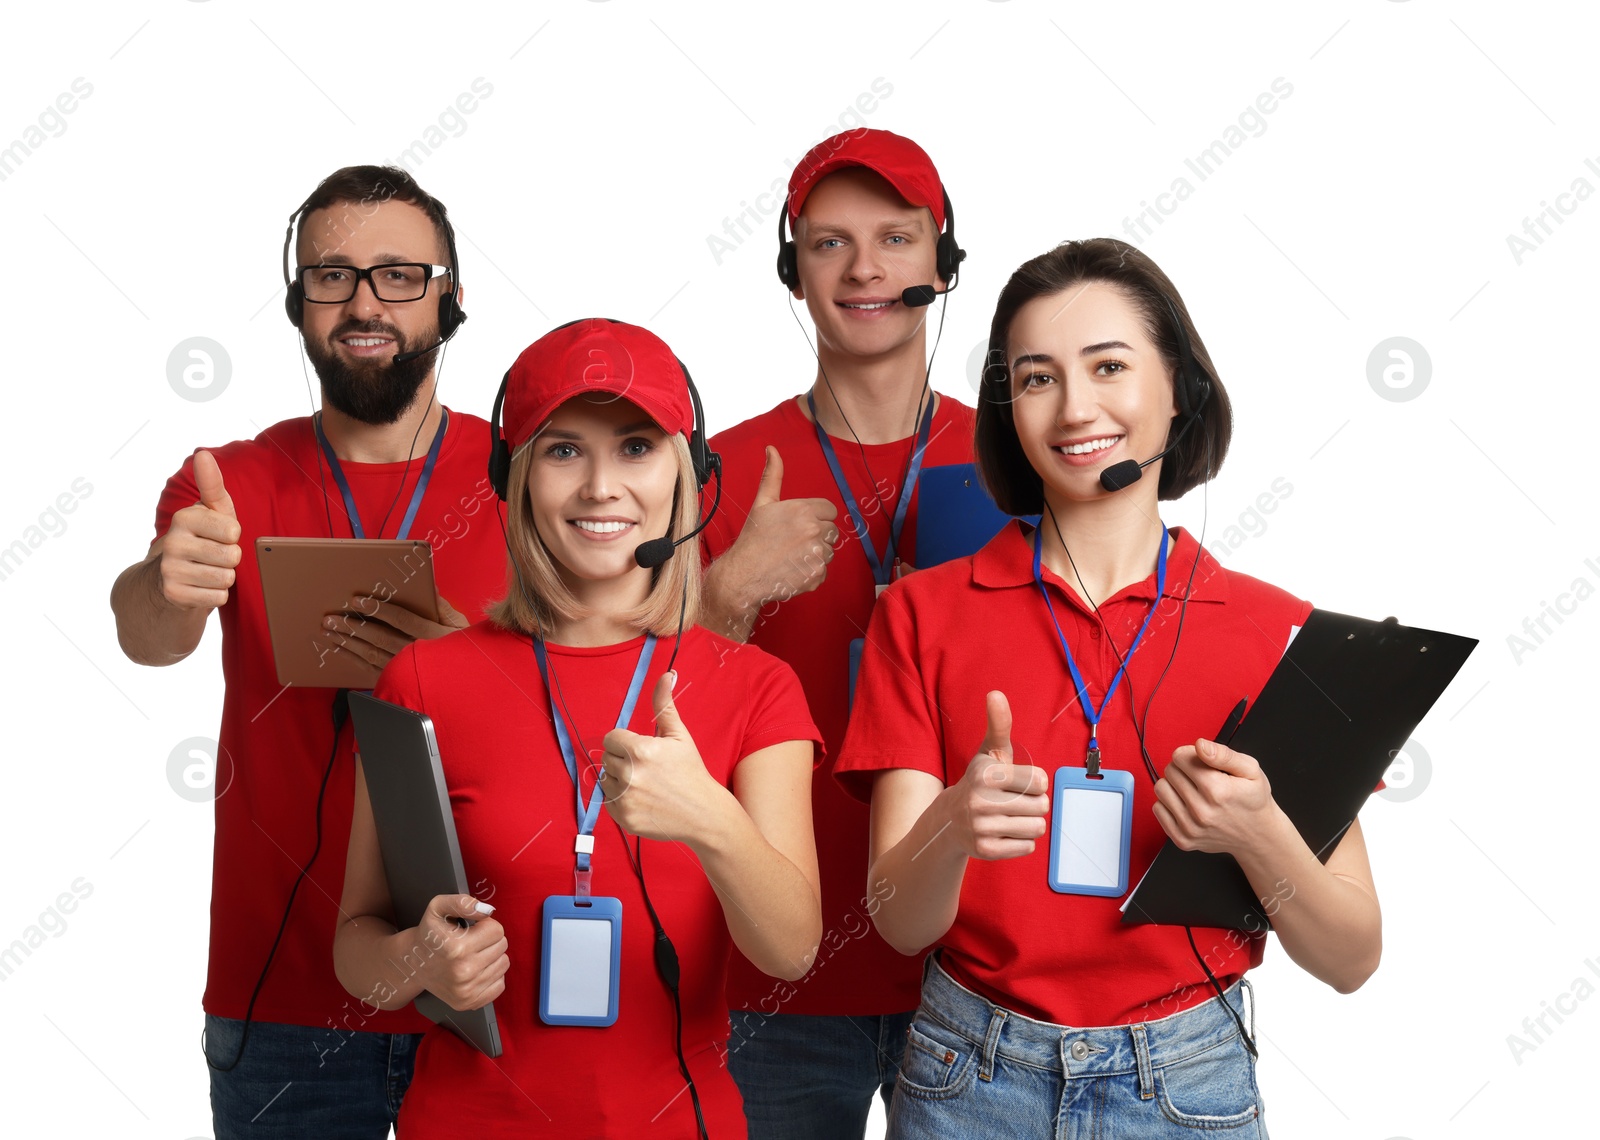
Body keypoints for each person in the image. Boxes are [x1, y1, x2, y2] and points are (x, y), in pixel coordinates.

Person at [835, 238, 1383, 1137]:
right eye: (1038, 378)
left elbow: (1350, 956)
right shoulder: (922, 616)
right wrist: (952, 827)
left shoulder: (1278, 634)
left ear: (1181, 389)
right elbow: (898, 924)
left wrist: (1259, 835)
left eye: (1110, 366)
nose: (1075, 407)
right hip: (968, 1074)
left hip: (1187, 1082)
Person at [334, 318, 824, 1137]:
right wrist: (415, 961)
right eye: (564, 450)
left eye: (636, 447)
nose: (602, 487)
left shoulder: (758, 686)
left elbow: (794, 951)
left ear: (687, 472)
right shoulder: (424, 677)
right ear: (516, 476)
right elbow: (356, 943)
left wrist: (713, 823)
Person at [110, 165, 508, 1137]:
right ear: (299, 303)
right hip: (276, 1000)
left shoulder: (530, 476)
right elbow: (147, 637)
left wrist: (473, 667)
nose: (364, 301)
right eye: (332, 275)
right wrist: (166, 581)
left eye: (398, 275)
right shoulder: (231, 482)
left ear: (448, 296)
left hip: (475, 980)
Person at [698, 128, 977, 1135]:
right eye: (829, 244)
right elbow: (623, 709)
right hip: (770, 977)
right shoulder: (721, 471)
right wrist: (727, 592)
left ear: (941, 265)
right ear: (793, 270)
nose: (864, 268)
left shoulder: (1027, 461)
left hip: (976, 974)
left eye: (895, 239)